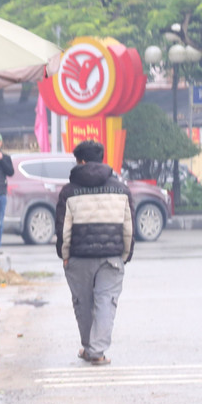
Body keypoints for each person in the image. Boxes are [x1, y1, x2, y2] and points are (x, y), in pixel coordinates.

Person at [54, 140, 134, 366]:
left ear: (80, 161)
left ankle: (91, 348)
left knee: (84, 303)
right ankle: (96, 350)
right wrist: (125, 254)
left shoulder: (69, 191)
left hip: (78, 257)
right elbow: (129, 226)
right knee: (106, 302)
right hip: (112, 256)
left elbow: (63, 228)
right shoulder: (121, 189)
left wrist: (65, 254)